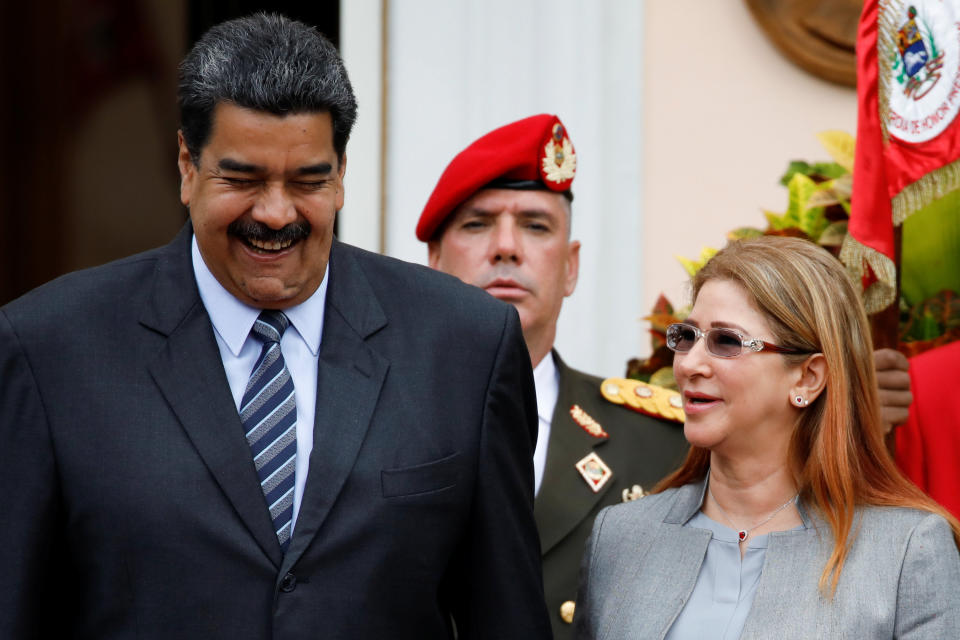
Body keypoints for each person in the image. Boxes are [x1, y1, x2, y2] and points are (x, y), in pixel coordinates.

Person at [0, 14, 552, 639]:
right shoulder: (49, 350)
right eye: (242, 179)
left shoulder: (465, 347)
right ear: (187, 165)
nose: (275, 212)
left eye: (307, 181)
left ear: (342, 173)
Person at [574, 236, 960, 639]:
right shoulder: (620, 537)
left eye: (726, 341)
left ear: (809, 377)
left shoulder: (907, 550)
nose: (689, 364)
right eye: (686, 336)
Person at [417, 114, 690, 638]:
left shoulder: (659, 441)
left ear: (571, 266)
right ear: (433, 261)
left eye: (535, 225)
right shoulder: (373, 419)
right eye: (476, 224)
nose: (506, 247)